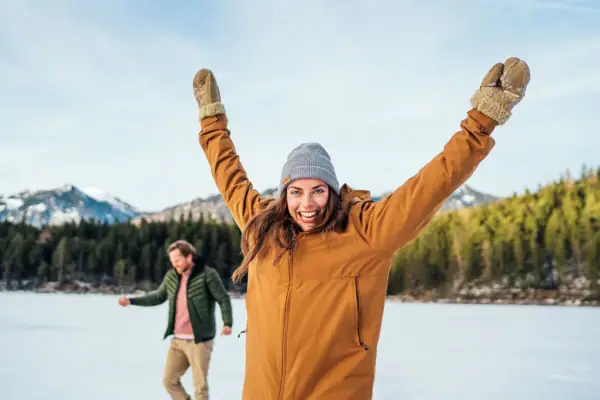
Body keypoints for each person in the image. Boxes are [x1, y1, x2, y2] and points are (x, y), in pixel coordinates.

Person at [193, 58, 530, 399]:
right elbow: (229, 176)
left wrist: (483, 119)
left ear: (333, 191)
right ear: (284, 195)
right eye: (296, 192)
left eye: (318, 191)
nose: (306, 204)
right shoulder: (263, 227)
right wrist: (212, 121)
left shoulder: (366, 231)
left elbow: (431, 185)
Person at [118, 239, 233, 400]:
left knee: (200, 387)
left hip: (199, 341)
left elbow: (223, 298)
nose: (175, 264)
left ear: (189, 257)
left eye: (178, 260)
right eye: (172, 261)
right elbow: (158, 297)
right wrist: (132, 301)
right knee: (169, 381)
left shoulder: (207, 275)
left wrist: (227, 323)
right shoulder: (172, 276)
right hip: (178, 340)